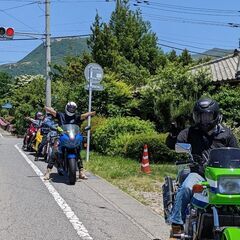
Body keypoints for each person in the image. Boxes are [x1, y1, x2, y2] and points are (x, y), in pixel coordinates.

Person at [168, 97, 238, 240]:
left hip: (221, 178)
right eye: (200, 116)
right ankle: (176, 225)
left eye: (208, 116)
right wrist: (173, 135)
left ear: (215, 115)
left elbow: (236, 154)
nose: (204, 120)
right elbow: (174, 145)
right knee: (187, 187)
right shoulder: (190, 132)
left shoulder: (227, 133)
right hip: (199, 174)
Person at [43, 101, 96, 180]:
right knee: (55, 151)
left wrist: (91, 113)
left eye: (73, 108)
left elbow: (83, 115)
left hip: (72, 137)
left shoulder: (76, 117)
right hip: (62, 136)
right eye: (70, 108)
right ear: (67, 108)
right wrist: (46, 108)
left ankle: (81, 172)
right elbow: (54, 112)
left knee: (77, 151)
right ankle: (48, 171)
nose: (71, 109)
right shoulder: (61, 115)